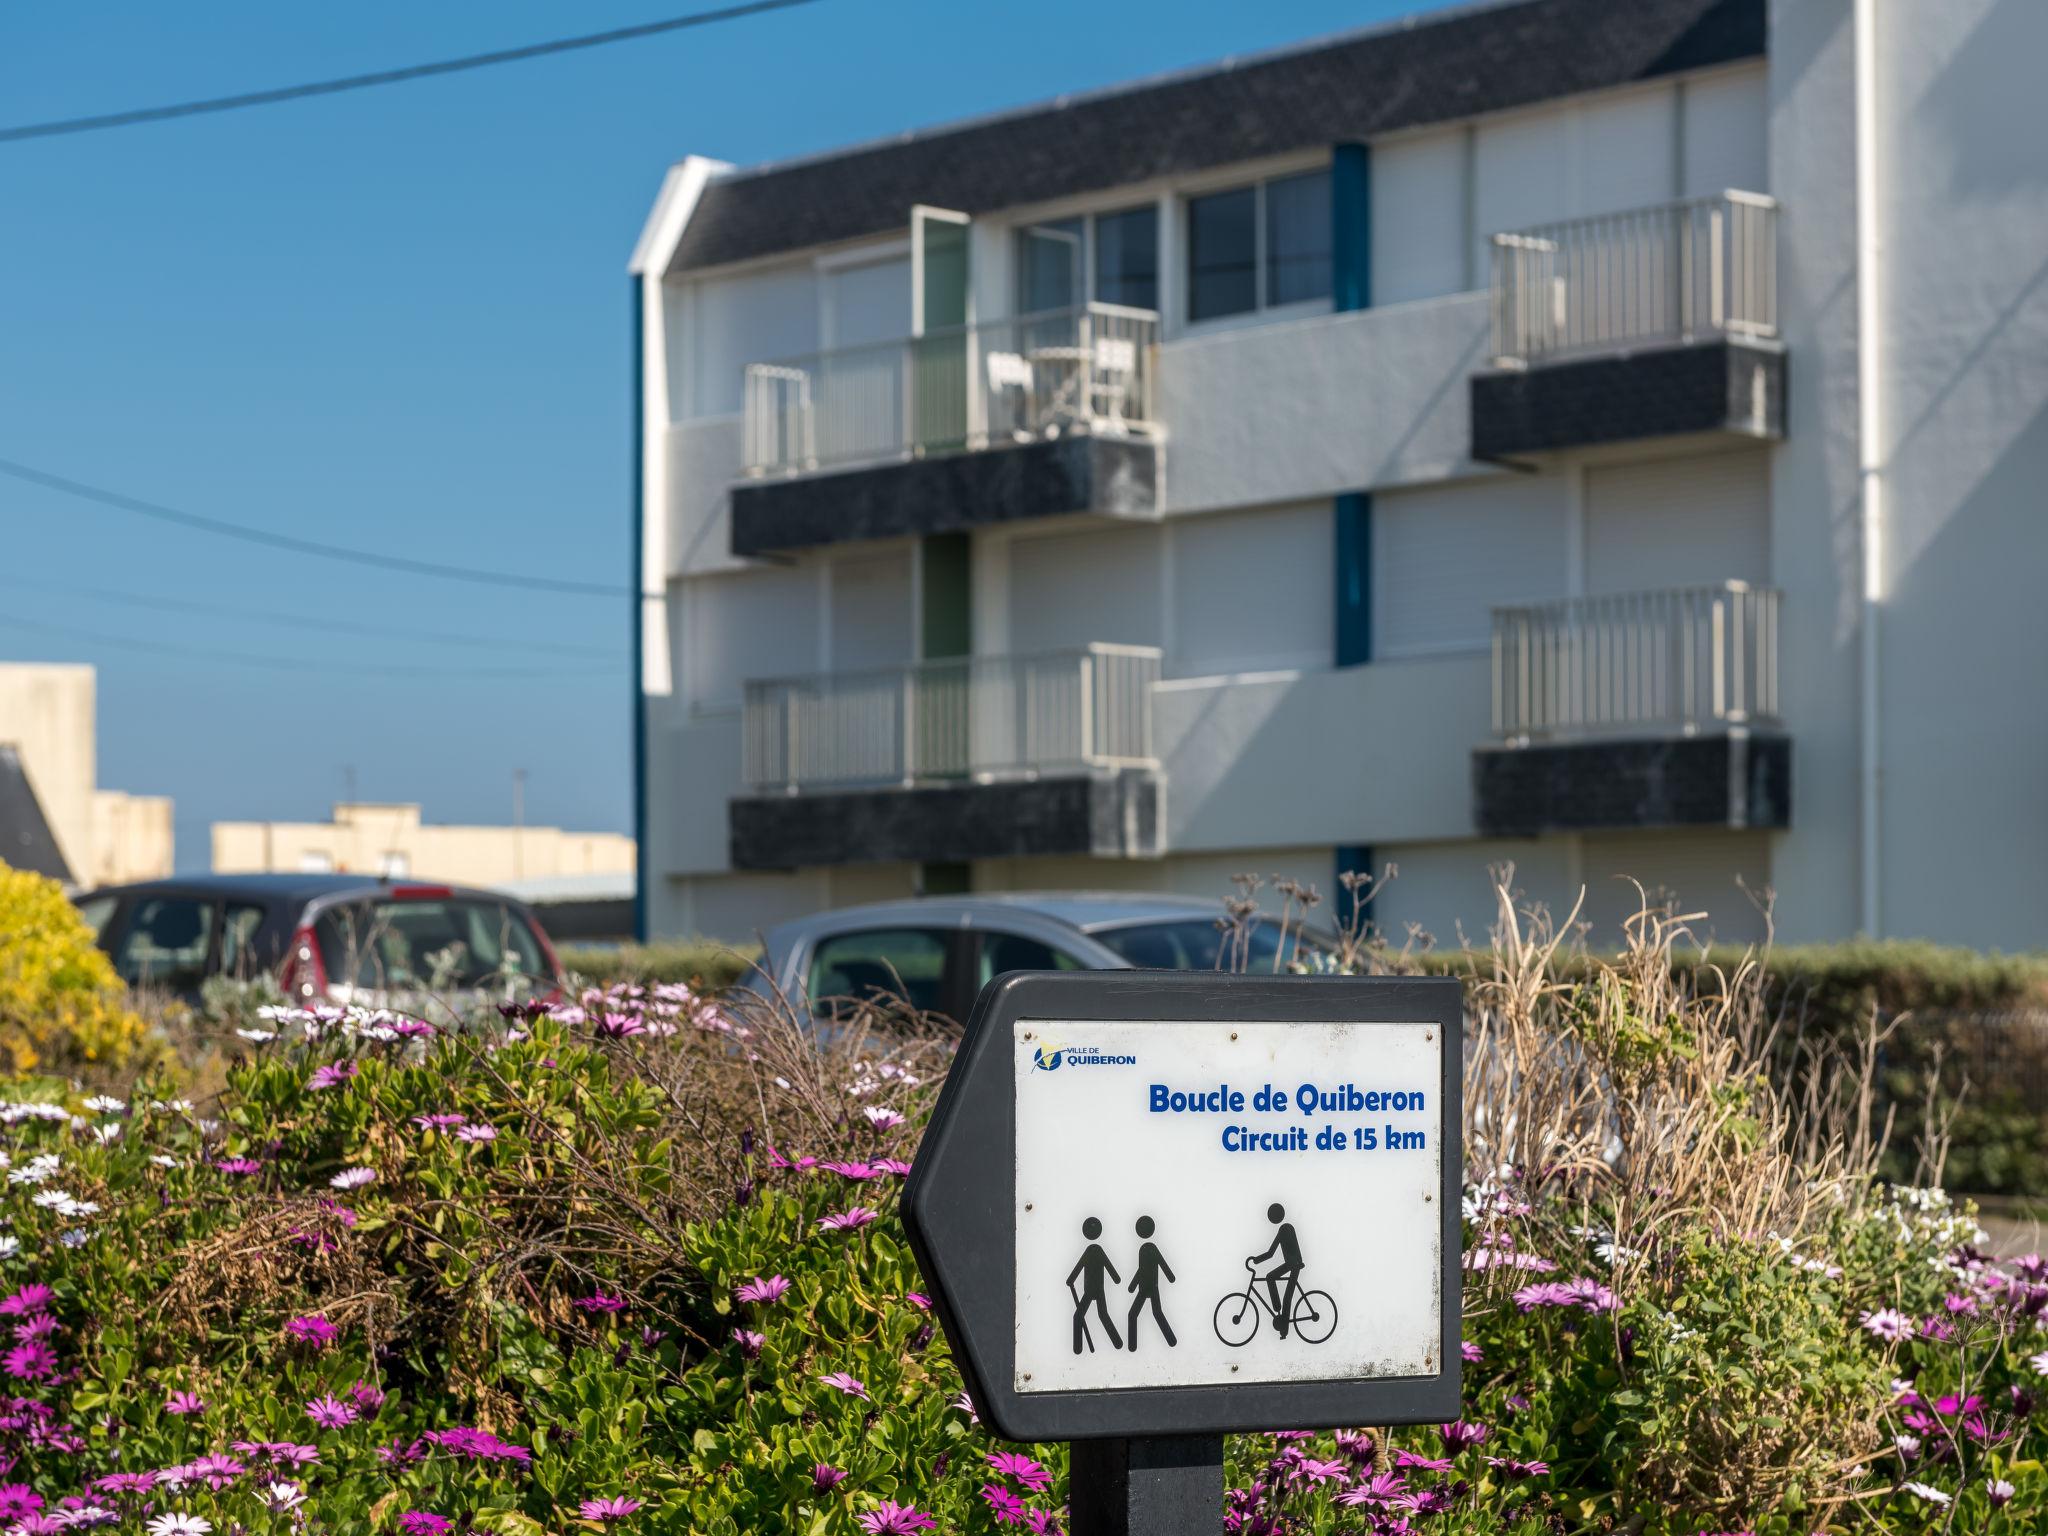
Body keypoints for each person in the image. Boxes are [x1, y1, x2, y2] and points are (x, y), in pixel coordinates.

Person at [1066, 1216, 1123, 1353]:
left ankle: (1078, 1349)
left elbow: (1079, 1268)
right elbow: (1111, 1270)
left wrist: (1071, 1279)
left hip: (1092, 1291)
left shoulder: (1092, 1251)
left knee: (1081, 1316)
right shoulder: (1096, 1251)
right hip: (1095, 1290)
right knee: (1102, 1315)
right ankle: (1117, 1343)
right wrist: (1116, 1279)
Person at [1249, 1202, 1305, 1336]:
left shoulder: (1285, 1228)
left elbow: (1271, 1253)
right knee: (1270, 1277)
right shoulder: (1285, 1228)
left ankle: (1283, 1327)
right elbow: (1271, 1253)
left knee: (1287, 1297)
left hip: (1294, 1264)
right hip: (1292, 1263)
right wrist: (1256, 1260)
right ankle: (1278, 1310)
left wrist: (1256, 1260)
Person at [1124, 1215, 1177, 1351]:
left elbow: (1157, 1265)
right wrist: (1133, 1285)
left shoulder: (1147, 1249)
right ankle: (1133, 1346)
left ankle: (1170, 1340)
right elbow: (1142, 1269)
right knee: (1140, 1314)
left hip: (1150, 1288)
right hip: (1147, 1288)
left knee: (1149, 1313)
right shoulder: (1145, 1249)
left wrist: (1132, 1286)